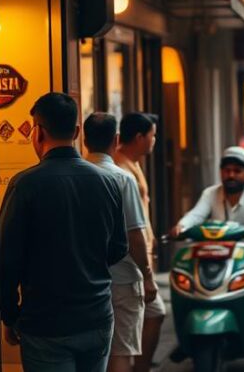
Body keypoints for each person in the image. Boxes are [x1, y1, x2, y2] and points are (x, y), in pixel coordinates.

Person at [0, 93, 128, 372]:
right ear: (77, 131)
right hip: (97, 317)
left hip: (45, 323)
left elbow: (8, 258)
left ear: (38, 132)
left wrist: (9, 315)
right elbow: (119, 247)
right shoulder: (108, 182)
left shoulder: (24, 185)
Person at [171, 147, 244, 345]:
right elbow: (196, 215)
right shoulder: (210, 193)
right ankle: (186, 335)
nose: (231, 175)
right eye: (227, 170)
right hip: (216, 251)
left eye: (237, 171)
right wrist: (181, 226)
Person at [83, 113, 156, 372]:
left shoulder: (77, 176)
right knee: (121, 350)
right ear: (115, 140)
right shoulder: (122, 178)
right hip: (123, 278)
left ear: (83, 137)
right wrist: (147, 275)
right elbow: (135, 234)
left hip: (86, 280)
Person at [114, 113, 165, 372]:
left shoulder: (133, 163)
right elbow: (132, 227)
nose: (154, 140)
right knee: (152, 314)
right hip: (132, 263)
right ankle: (139, 368)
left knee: (144, 318)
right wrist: (145, 272)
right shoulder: (122, 169)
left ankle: (139, 365)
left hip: (140, 258)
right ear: (139, 137)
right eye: (152, 135)